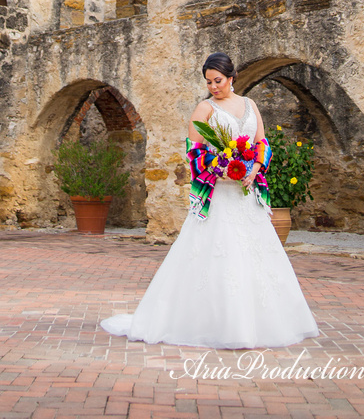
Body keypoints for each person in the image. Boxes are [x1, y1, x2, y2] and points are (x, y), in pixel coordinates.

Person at [100, 52, 319, 348]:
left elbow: (262, 144)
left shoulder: (250, 105)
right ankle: (210, 323)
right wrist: (222, 171)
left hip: (246, 193)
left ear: (231, 78)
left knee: (254, 255)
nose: (214, 87)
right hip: (218, 194)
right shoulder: (205, 108)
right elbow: (195, 152)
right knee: (219, 254)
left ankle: (260, 323)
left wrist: (254, 169)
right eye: (209, 82)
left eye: (218, 81)